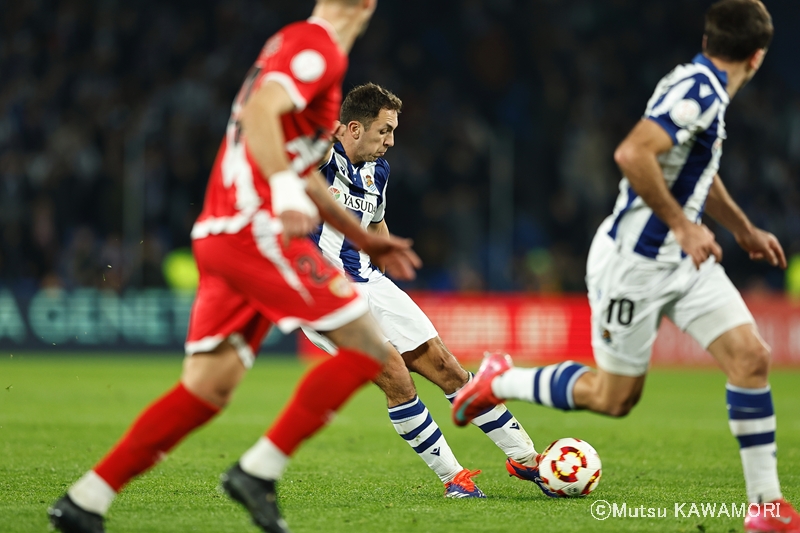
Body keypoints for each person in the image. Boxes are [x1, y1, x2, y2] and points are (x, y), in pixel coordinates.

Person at [48, 1, 422, 533]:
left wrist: (363, 236)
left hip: (221, 232)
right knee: (368, 345)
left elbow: (294, 158)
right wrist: (287, 192)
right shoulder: (316, 48)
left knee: (207, 389)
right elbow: (260, 113)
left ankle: (86, 499)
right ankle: (257, 472)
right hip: (255, 231)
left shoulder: (299, 49)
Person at [453, 1, 800, 531]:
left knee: (751, 358)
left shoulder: (700, 86)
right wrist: (684, 226)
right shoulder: (698, 92)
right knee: (614, 399)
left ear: (709, 41)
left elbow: (695, 169)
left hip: (685, 262)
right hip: (635, 263)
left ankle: (767, 507)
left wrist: (741, 228)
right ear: (757, 57)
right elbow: (633, 154)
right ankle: (503, 379)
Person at [301, 82, 548, 498]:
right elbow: (293, 138)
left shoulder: (378, 171)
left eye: (393, 131)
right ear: (354, 128)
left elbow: (375, 225)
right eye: (384, 131)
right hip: (319, 294)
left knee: (447, 366)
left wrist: (388, 249)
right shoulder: (322, 156)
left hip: (369, 280)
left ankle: (527, 460)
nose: (391, 142)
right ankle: (454, 479)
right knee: (396, 373)